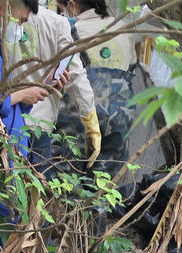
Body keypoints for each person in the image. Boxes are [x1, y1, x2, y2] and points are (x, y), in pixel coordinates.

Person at [62, 0, 153, 176]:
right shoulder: (123, 29)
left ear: (72, 5)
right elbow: (131, 66)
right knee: (105, 179)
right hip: (119, 115)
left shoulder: (72, 32)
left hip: (81, 115)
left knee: (68, 175)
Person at [15, 2, 103, 179]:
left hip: (1, 117)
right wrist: (91, 123)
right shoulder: (56, 23)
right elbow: (76, 75)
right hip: (38, 124)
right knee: (36, 191)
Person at [0, 0, 51, 155]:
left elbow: (6, 100)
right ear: (3, 10)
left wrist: (45, 84)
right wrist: (23, 94)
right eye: (21, 21)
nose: (20, 29)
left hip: (10, 158)